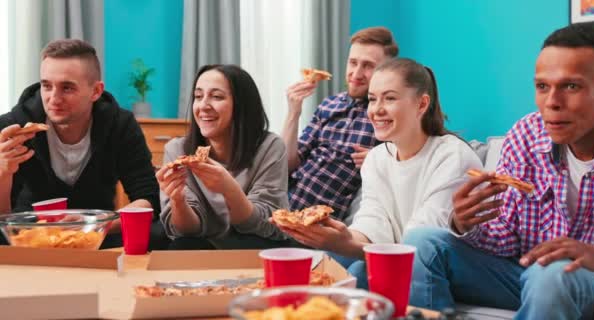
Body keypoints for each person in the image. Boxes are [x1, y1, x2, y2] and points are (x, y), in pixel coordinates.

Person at [403, 23, 594, 320]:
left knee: (551, 274)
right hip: (519, 271)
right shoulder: (526, 135)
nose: (552, 102)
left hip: (582, 276)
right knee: (421, 243)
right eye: (542, 87)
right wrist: (465, 223)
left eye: (571, 86)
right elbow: (505, 238)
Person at [275, 58, 482, 288]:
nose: (376, 110)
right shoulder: (377, 158)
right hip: (408, 255)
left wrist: (347, 244)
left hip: (455, 266)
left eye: (390, 98)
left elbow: (421, 244)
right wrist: (339, 239)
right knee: (341, 264)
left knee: (368, 264)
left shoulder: (453, 156)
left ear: (422, 104)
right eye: (373, 99)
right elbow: (373, 224)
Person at [0, 39, 160, 247]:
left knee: (158, 235)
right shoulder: (12, 127)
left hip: (100, 238)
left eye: (67, 88)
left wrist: (93, 224)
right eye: (46, 86)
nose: (53, 98)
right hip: (31, 240)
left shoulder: (120, 125)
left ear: (96, 91)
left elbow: (148, 199)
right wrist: (3, 173)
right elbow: (3, 218)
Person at [157, 64, 292, 249]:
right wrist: (177, 199)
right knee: (181, 246)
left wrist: (229, 189)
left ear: (241, 105)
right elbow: (186, 231)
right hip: (202, 244)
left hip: (255, 243)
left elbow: (266, 224)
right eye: (198, 96)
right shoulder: (177, 149)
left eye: (217, 97)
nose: (203, 106)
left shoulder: (270, 147)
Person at [283, 27, 398, 222]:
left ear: (385, 72)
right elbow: (286, 165)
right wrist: (294, 112)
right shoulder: (329, 105)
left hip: (318, 221)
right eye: (353, 62)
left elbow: (411, 164)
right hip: (283, 204)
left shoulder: (388, 114)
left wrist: (380, 159)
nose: (356, 73)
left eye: (368, 66)